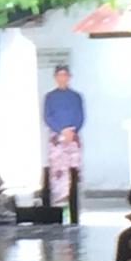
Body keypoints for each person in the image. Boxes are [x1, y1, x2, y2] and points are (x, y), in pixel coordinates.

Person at [43, 65, 84, 205]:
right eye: (59, 75)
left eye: (65, 75)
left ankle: (73, 201)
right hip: (57, 136)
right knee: (57, 169)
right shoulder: (50, 97)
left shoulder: (76, 97)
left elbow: (80, 116)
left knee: (73, 167)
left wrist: (72, 131)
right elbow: (48, 117)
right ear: (55, 77)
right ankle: (58, 202)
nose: (62, 78)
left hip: (72, 136)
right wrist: (61, 130)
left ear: (69, 77)